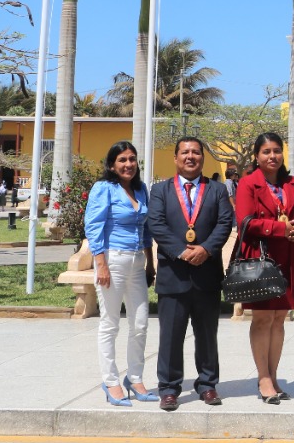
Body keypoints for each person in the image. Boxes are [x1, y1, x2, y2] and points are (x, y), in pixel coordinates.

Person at [147, 137, 236, 411]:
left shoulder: (218, 190)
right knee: (170, 337)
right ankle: (169, 388)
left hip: (206, 275)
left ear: (202, 158)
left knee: (207, 335)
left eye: (196, 152)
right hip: (173, 275)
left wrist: (206, 250)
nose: (190, 157)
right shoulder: (160, 190)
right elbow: (156, 224)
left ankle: (208, 385)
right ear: (175, 158)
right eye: (185, 152)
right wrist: (182, 252)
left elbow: (224, 223)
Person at [234, 132, 294, 403]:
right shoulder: (247, 184)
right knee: (263, 319)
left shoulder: (291, 183)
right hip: (262, 260)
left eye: (277, 151)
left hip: (289, 258)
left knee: (280, 319)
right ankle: (263, 377)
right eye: (266, 152)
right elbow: (245, 221)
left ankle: (274, 376)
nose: (272, 156)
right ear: (257, 156)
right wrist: (280, 228)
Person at [84, 141, 157, 406]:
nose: (128, 164)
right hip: (112, 260)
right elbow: (93, 226)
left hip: (137, 262)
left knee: (140, 324)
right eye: (122, 160)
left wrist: (151, 263)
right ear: (112, 164)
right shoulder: (104, 188)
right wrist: (100, 264)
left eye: (132, 159)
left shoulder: (141, 189)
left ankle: (135, 378)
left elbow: (146, 230)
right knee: (110, 323)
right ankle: (111, 381)